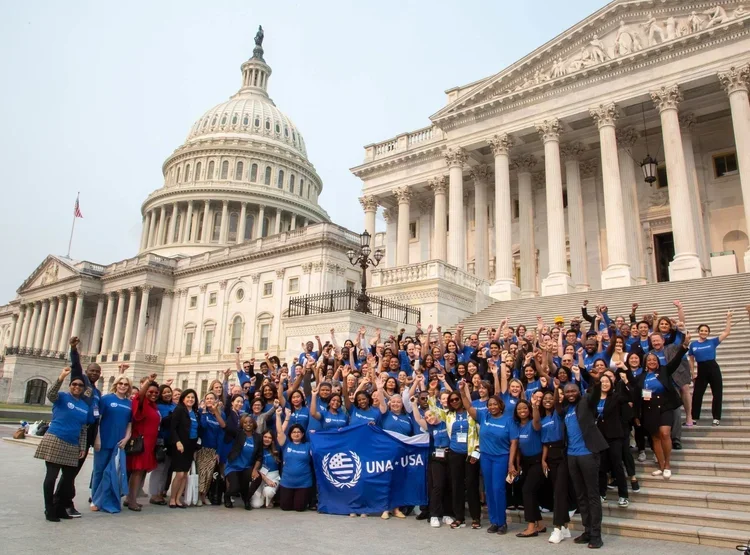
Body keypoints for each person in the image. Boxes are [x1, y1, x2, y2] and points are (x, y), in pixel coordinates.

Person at [34, 367, 89, 522]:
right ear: (70, 386)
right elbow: (50, 394)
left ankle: (59, 507)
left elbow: (83, 429)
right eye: (74, 384)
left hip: (73, 444)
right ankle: (49, 508)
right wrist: (61, 377)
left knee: (68, 479)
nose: (77, 387)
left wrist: (83, 447)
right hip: (56, 439)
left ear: (84, 388)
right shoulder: (62, 397)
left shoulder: (85, 406)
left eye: (80, 385)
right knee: (51, 477)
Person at [634, 334, 691, 479]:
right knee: (655, 437)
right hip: (648, 409)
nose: (652, 362)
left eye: (654, 360)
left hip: (665, 406)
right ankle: (660, 464)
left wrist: (684, 347)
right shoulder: (641, 377)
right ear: (645, 363)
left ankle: (667, 465)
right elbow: (636, 396)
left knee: (665, 433)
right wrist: (637, 415)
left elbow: (677, 360)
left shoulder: (664, 370)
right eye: (649, 360)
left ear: (658, 362)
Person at [461, 383, 512, 535]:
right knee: (489, 490)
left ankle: (502, 522)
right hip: (486, 458)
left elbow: (514, 442)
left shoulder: (508, 420)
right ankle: (494, 521)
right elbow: (469, 408)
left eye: (495, 404)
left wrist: (511, 463)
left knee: (498, 489)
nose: (492, 407)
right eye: (489, 404)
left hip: (501, 458)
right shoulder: (484, 416)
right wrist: (463, 392)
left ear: (500, 405)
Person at [563, 381, 608, 549]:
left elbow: (595, 393)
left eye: (573, 390)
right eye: (567, 391)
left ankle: (596, 535)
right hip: (572, 456)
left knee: (592, 495)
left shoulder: (586, 402)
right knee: (581, 496)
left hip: (588, 454)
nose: (570, 393)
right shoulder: (566, 409)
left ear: (579, 391)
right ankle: (587, 530)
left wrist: (594, 380)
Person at [429, 386, 481, 529]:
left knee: (471, 485)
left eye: (457, 399)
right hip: (454, 453)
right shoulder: (448, 415)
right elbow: (433, 409)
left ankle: (476, 518)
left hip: (470, 453)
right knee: (456, 486)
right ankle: (459, 517)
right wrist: (433, 392)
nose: (454, 402)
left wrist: (477, 453)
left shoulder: (471, 414)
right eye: (451, 400)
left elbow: (479, 434)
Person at [91, 376, 132, 511]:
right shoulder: (106, 399)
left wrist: (126, 439)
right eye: (120, 383)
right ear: (116, 384)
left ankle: (108, 498)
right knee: (100, 471)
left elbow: (129, 424)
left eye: (126, 384)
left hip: (119, 443)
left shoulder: (129, 403)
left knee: (114, 472)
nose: (123, 386)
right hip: (104, 440)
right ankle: (95, 500)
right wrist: (97, 439)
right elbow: (98, 420)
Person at [509, 397, 546, 538]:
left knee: (528, 491)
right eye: (519, 409)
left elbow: (537, 421)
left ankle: (531, 527)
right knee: (529, 492)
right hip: (525, 463)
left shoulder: (533, 423)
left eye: (525, 408)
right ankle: (540, 524)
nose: (522, 411)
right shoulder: (517, 426)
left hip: (537, 462)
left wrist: (536, 406)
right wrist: (516, 464)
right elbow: (517, 447)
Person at [540, 389, 573, 543]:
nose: (548, 400)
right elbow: (545, 442)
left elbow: (558, 404)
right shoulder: (542, 418)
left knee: (559, 492)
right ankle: (565, 527)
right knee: (558, 491)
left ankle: (558, 528)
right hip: (550, 456)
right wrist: (543, 459)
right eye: (544, 398)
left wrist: (555, 387)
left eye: (550, 398)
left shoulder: (559, 414)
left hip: (562, 454)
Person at [413, 402, 452, 528]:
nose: (429, 418)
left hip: (450, 456)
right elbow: (418, 418)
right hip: (436, 458)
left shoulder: (446, 422)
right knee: (437, 486)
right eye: (427, 417)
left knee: (448, 486)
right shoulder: (429, 427)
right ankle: (434, 515)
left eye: (431, 415)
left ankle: (447, 514)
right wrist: (414, 404)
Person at [690, 311, 732, 426]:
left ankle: (716, 418)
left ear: (708, 333)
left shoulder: (713, 342)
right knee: (697, 394)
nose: (704, 332)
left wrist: (728, 318)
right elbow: (691, 359)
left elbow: (727, 332)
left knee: (717, 393)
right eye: (702, 330)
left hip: (713, 368)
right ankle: (694, 417)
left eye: (706, 331)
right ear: (698, 332)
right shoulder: (693, 345)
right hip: (701, 369)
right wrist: (692, 373)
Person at [125, 376, 161, 512]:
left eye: (156, 392)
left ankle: (130, 498)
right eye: (150, 392)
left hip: (149, 444)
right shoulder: (141, 402)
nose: (153, 394)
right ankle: (132, 500)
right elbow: (139, 396)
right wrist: (147, 382)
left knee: (140, 472)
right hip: (141, 442)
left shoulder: (153, 405)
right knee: (137, 472)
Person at [216, 410, 262, 510]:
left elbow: (259, 456)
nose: (248, 424)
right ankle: (227, 496)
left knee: (258, 478)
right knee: (235, 488)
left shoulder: (258, 438)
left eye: (250, 422)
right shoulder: (238, 434)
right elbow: (224, 426)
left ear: (253, 423)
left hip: (246, 467)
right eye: (245, 422)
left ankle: (246, 499)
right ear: (242, 424)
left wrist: (255, 470)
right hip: (233, 466)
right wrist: (216, 411)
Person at [595, 374, 629, 508]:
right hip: (599, 436)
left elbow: (628, 397)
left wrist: (626, 382)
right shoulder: (594, 398)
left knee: (617, 465)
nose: (604, 384)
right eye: (602, 381)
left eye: (607, 381)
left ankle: (623, 495)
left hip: (614, 436)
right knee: (601, 467)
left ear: (611, 383)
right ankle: (601, 493)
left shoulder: (615, 396)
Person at [275, 409, 314, 512]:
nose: (296, 434)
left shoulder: (308, 446)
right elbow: (279, 432)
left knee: (299, 508)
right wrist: (278, 416)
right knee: (285, 507)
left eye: (299, 432)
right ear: (290, 434)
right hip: (287, 482)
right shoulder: (286, 444)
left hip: (304, 482)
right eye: (294, 432)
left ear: (302, 434)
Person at [169, 389, 201, 508]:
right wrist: (177, 442)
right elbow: (173, 428)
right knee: (180, 474)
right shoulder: (179, 410)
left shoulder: (195, 412)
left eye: (193, 397)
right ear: (183, 398)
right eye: (188, 397)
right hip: (180, 445)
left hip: (191, 445)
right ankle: (172, 498)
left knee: (185, 473)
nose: (190, 399)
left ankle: (178, 499)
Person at [149, 383, 175, 506]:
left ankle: (160, 492)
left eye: (169, 391)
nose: (167, 394)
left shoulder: (175, 406)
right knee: (159, 468)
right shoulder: (157, 406)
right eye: (164, 392)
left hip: (172, 440)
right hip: (161, 440)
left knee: (166, 469)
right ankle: (154, 494)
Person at [197, 392, 223, 505]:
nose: (209, 400)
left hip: (213, 449)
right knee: (201, 473)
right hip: (202, 448)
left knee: (209, 474)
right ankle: (198, 496)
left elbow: (221, 434)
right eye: (207, 398)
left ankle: (204, 495)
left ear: (216, 401)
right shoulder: (202, 413)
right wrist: (203, 411)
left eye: (211, 398)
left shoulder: (219, 415)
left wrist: (218, 451)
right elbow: (202, 426)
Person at [251, 430, 281, 508]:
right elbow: (254, 468)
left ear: (272, 440)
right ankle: (261, 497)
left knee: (268, 492)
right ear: (261, 437)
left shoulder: (276, 450)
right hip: (259, 476)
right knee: (256, 505)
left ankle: (269, 498)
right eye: (265, 437)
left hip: (273, 476)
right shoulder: (255, 449)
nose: (267, 439)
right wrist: (266, 480)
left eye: (270, 438)